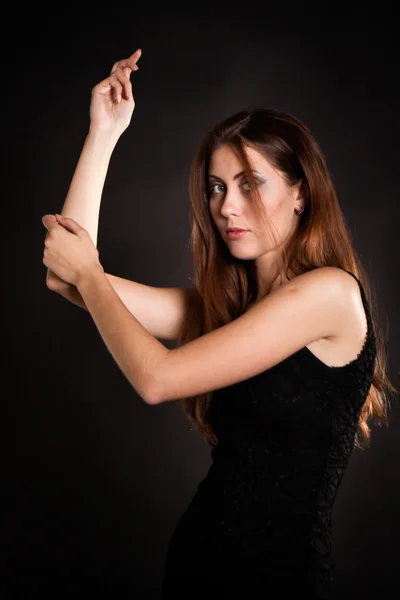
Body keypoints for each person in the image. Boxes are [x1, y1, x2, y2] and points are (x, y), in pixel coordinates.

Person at [42, 50, 397, 599]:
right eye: (216, 187)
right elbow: (71, 279)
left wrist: (88, 274)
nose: (228, 206)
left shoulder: (329, 292)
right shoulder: (226, 312)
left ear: (301, 192)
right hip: (198, 573)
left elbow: (156, 377)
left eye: (250, 183)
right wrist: (103, 133)